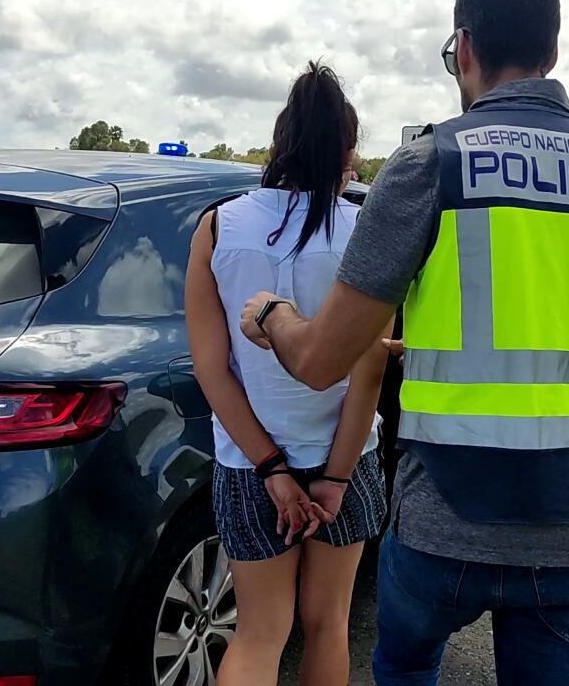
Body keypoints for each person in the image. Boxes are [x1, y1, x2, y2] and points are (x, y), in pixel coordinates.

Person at [234, 0, 569, 684]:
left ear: (463, 47)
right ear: (552, 53)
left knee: (404, 666)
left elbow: (318, 361)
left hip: (447, 523)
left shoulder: (432, 164)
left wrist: (271, 315)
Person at [183, 61, 390, 686]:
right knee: (327, 624)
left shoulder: (218, 226)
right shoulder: (369, 233)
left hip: (249, 468)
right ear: (347, 150)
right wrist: (333, 477)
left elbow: (210, 367)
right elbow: (370, 369)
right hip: (346, 460)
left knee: (259, 632)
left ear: (280, 143)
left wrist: (272, 468)